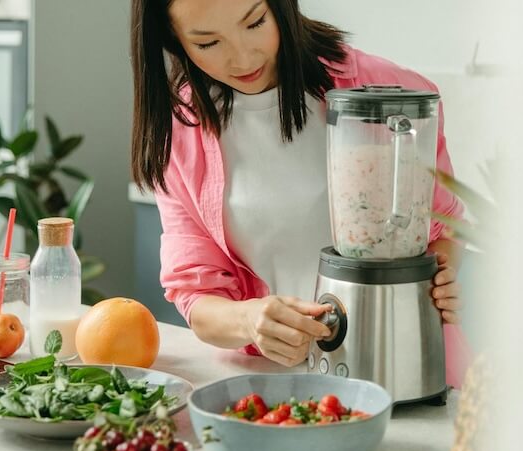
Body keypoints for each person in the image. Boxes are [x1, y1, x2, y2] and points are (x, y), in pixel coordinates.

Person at [130, 0, 469, 386]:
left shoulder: (394, 93)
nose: (243, 57)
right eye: (208, 43)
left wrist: (440, 281)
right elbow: (195, 292)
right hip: (281, 385)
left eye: (255, 22)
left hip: (413, 375)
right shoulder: (181, 130)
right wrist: (249, 320)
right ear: (174, 41)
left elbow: (444, 229)